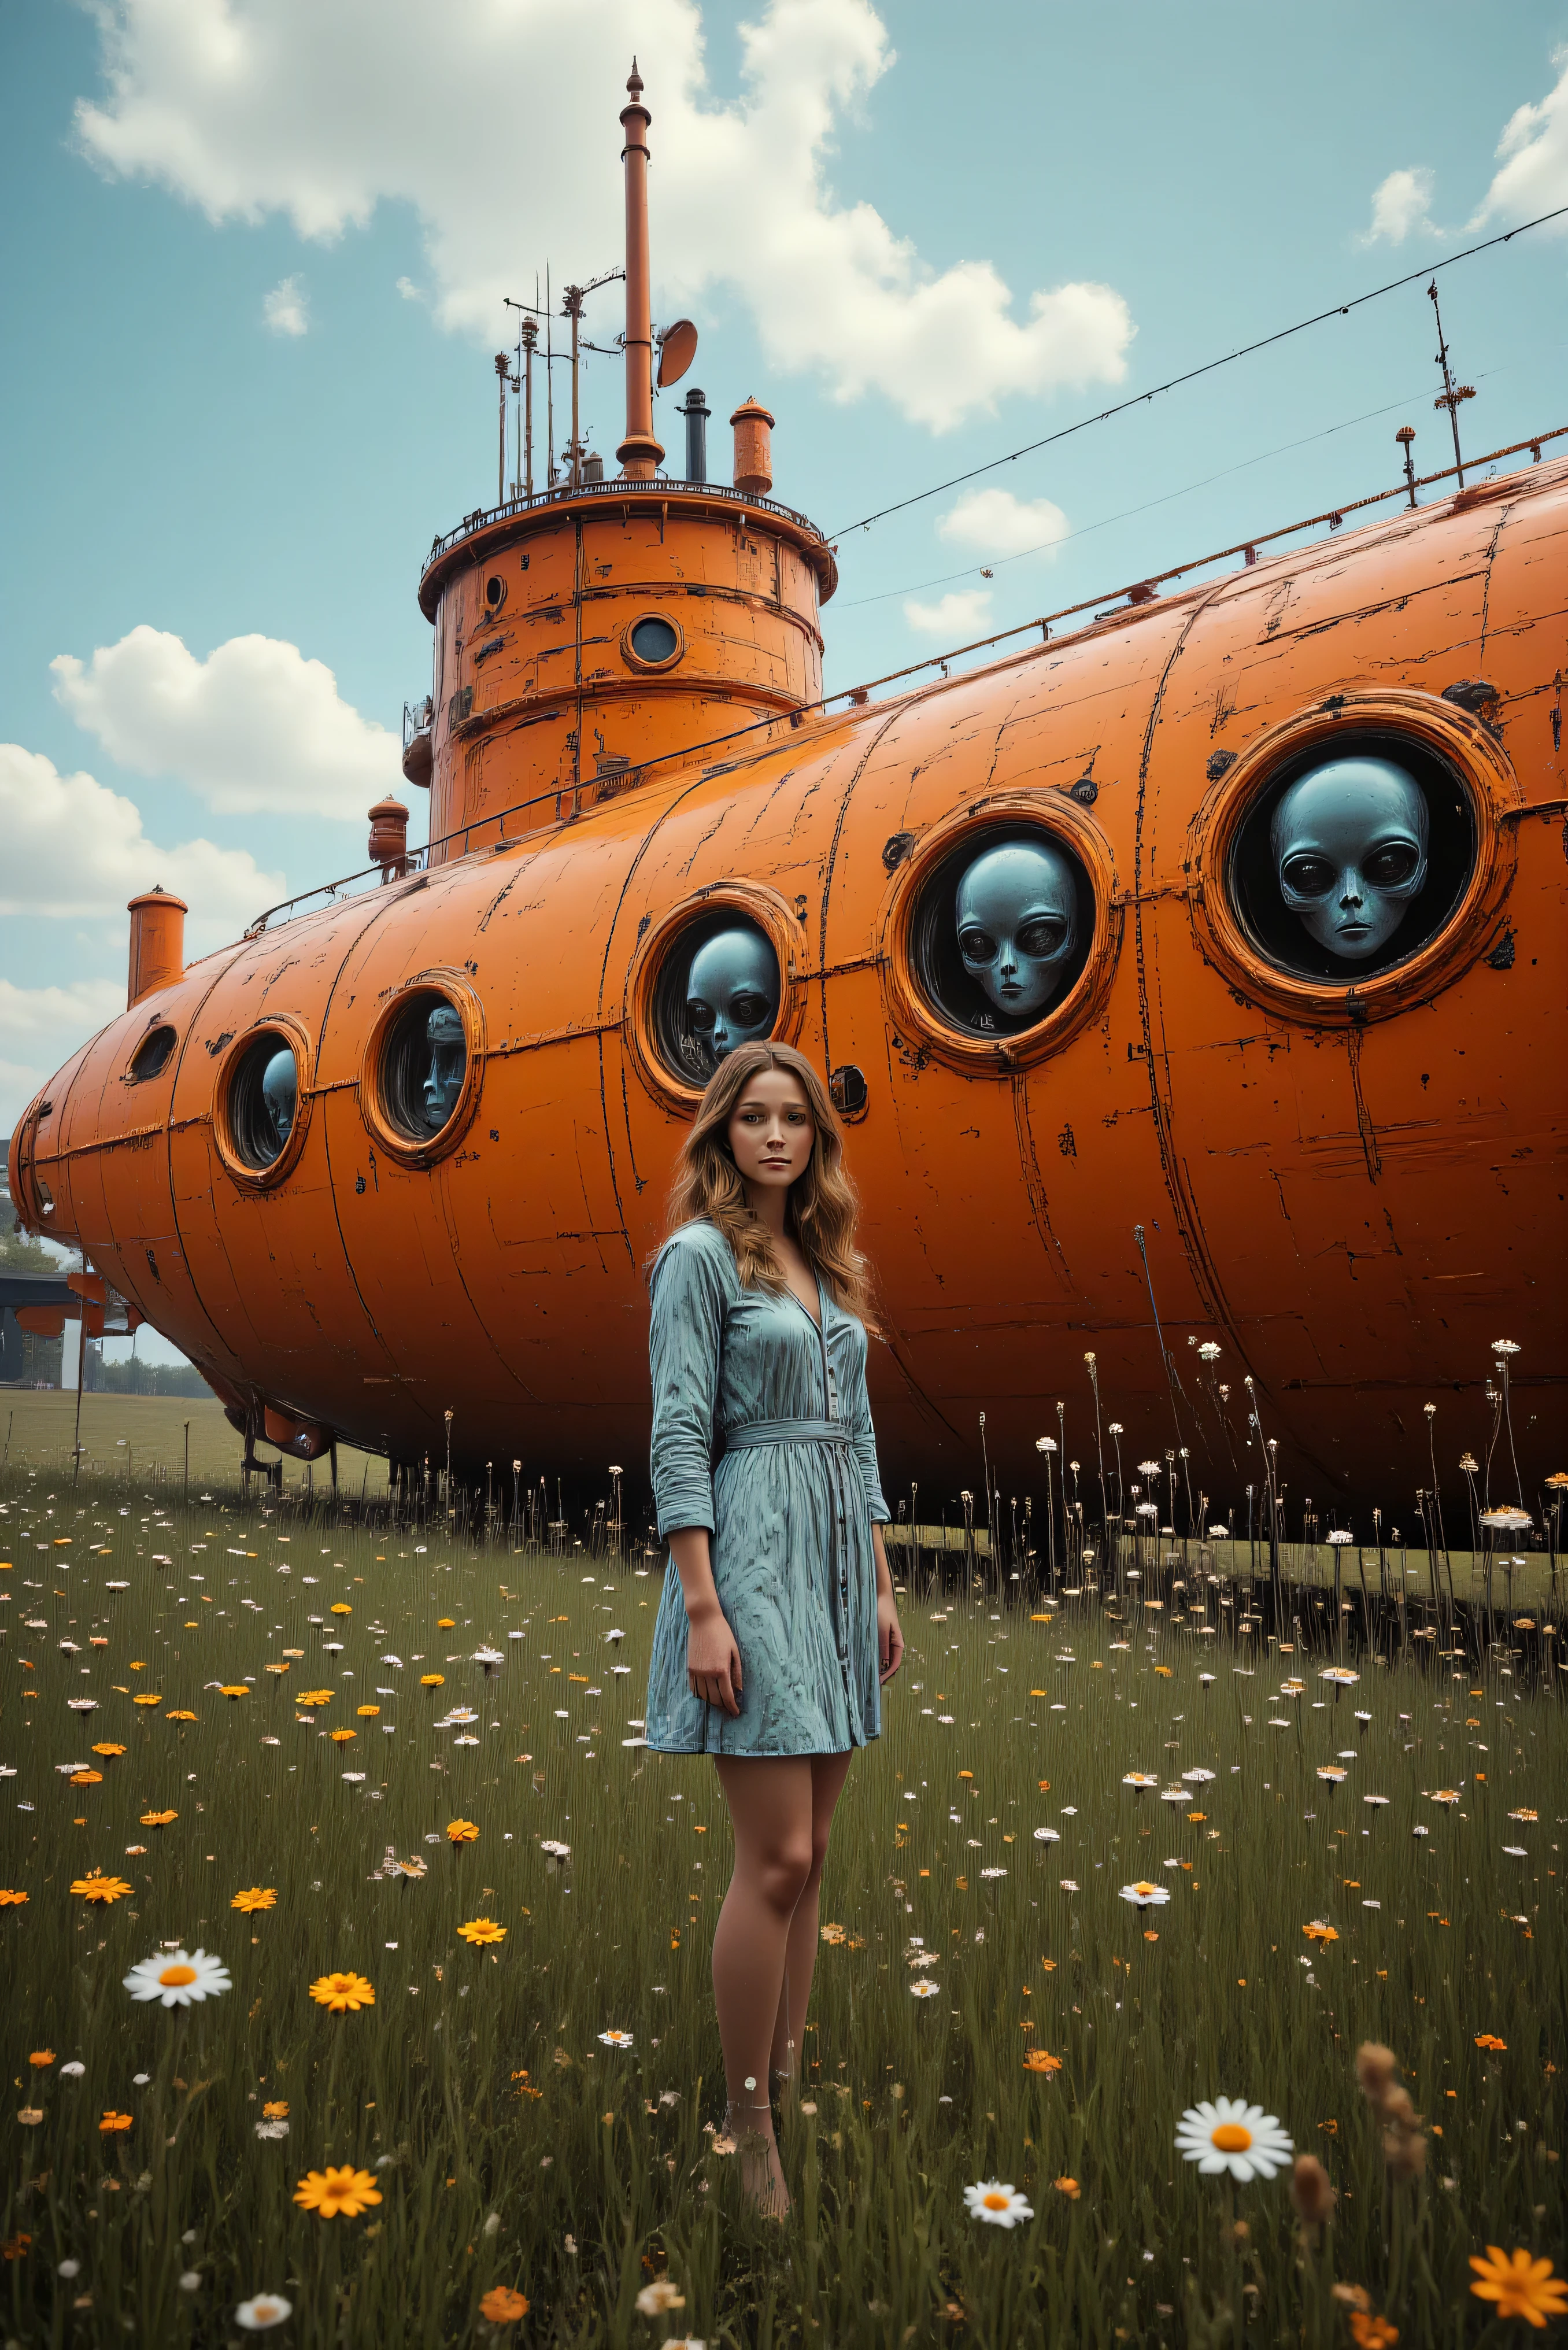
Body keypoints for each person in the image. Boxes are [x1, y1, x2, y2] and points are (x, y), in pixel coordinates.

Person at [643, 1040, 904, 2219]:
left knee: (817, 1860)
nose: (776, 1137)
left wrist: (886, 1584)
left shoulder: (825, 1260)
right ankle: (747, 2127)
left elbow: (857, 1440)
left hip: (840, 1564)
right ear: (721, 1133)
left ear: (817, 1138)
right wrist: (704, 1605)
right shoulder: (699, 1259)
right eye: (753, 1118)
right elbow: (677, 1436)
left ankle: (788, 2086)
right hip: (750, 1560)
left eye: (794, 1118)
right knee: (778, 1858)